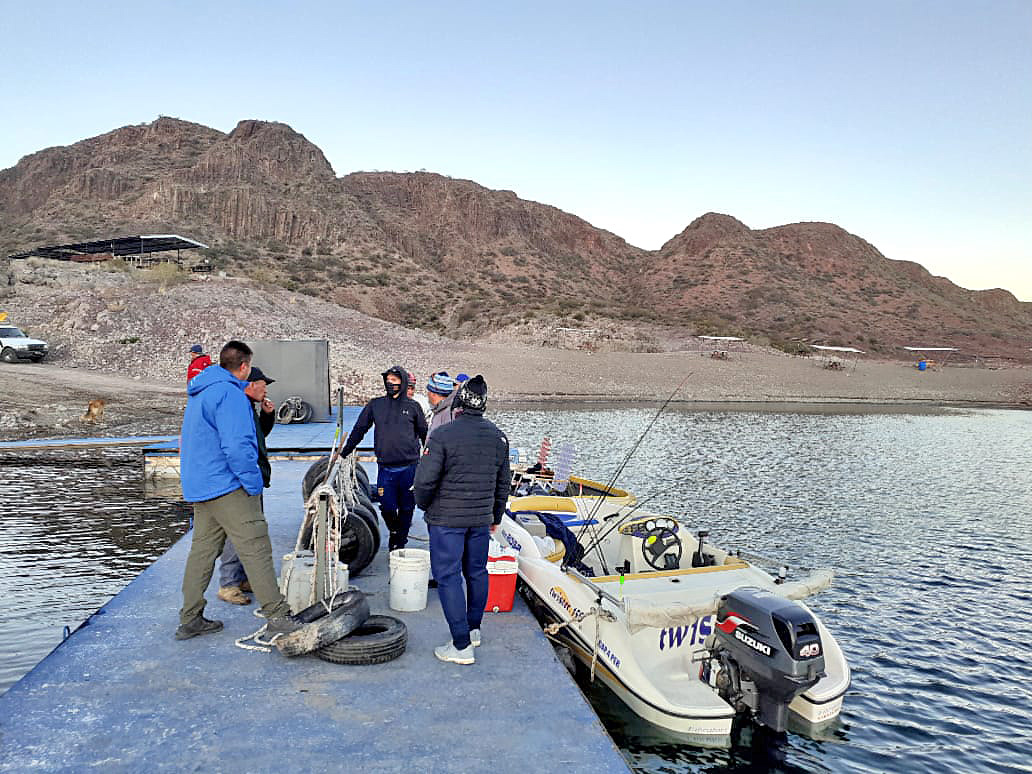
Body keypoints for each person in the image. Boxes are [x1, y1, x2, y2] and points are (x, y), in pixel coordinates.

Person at [176, 340, 300, 640]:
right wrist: (253, 483)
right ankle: (279, 616)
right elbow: (238, 447)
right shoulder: (230, 394)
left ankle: (190, 618)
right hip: (227, 485)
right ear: (244, 367)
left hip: (201, 486)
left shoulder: (201, 392)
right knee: (256, 546)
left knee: (202, 552)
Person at [413, 375, 511, 665]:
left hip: (447, 520)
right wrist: (495, 514)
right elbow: (503, 482)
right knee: (477, 573)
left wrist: (424, 505)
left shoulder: (443, 435)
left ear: (459, 404)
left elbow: (425, 481)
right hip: (480, 519)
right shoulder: (498, 437)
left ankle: (460, 645)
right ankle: (473, 630)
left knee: (448, 576)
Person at [338, 365, 428, 551]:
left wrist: (431, 457)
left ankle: (399, 543)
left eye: (394, 381)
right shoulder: (376, 405)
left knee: (407, 507)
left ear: (402, 383)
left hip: (410, 467)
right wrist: (345, 452)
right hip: (386, 468)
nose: (390, 384)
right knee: (387, 506)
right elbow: (359, 429)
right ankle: (395, 530)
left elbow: (424, 435)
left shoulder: (413, 407)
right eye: (388, 381)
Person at [217, 366, 277, 605]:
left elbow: (258, 436)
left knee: (249, 530)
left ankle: (241, 578)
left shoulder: (248, 408)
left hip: (253, 478)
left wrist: (267, 416)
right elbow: (236, 449)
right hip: (242, 481)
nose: (266, 389)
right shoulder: (237, 408)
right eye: (263, 385)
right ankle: (228, 584)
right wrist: (249, 480)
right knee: (239, 531)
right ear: (250, 384)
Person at [425, 371, 457, 438]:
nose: (427, 394)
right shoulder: (442, 410)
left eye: (429, 391)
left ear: (433, 394)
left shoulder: (448, 414)